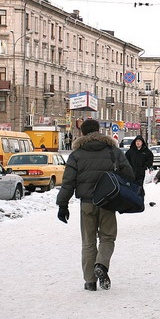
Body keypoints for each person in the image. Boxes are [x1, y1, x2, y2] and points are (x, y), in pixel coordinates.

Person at [56, 119, 135, 291]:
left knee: (88, 241)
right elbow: (129, 174)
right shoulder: (112, 150)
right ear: (99, 131)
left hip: (87, 203)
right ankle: (101, 265)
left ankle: (90, 281)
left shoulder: (76, 155)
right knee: (107, 237)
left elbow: (68, 182)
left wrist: (63, 205)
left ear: (82, 133)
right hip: (108, 202)